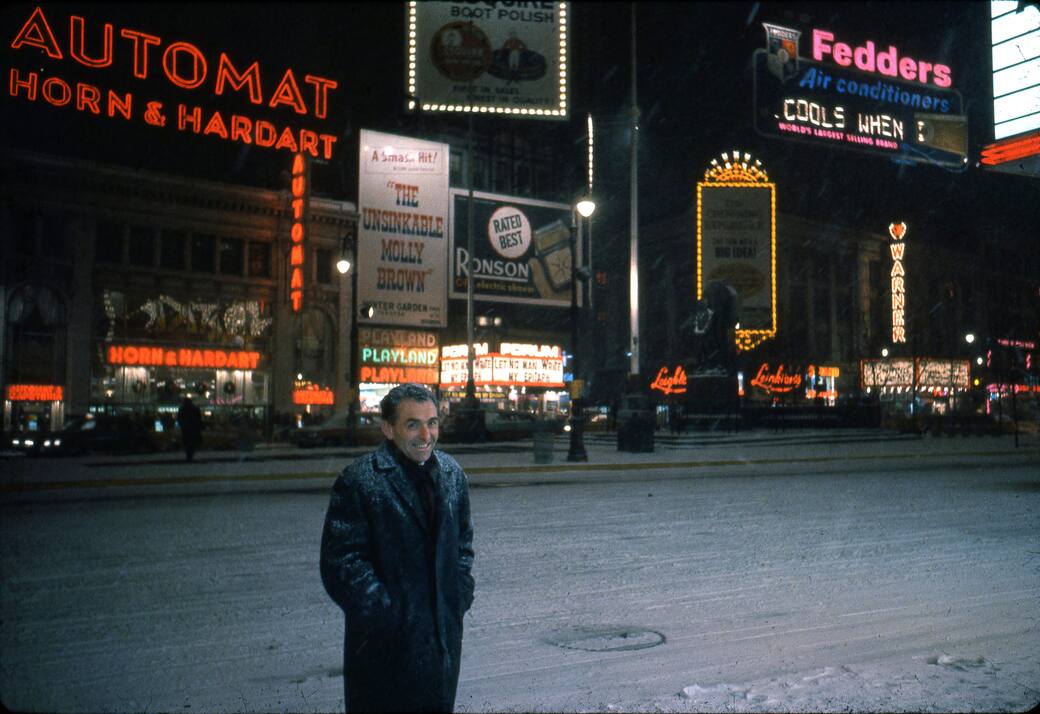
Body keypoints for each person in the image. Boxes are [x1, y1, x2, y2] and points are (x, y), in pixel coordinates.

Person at [320, 383, 475, 713]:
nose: (426, 434)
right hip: (385, 649)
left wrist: (459, 593)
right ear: (388, 429)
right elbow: (341, 563)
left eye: (432, 422)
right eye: (412, 424)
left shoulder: (452, 475)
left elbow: (463, 544)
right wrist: (387, 612)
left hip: (441, 643)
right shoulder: (360, 480)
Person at [176, 396, 202, 462]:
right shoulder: (195, 409)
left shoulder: (182, 409)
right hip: (193, 429)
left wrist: (182, 425)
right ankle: (190, 455)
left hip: (186, 429)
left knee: (187, 443)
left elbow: (179, 418)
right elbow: (199, 419)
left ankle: (189, 456)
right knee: (192, 443)